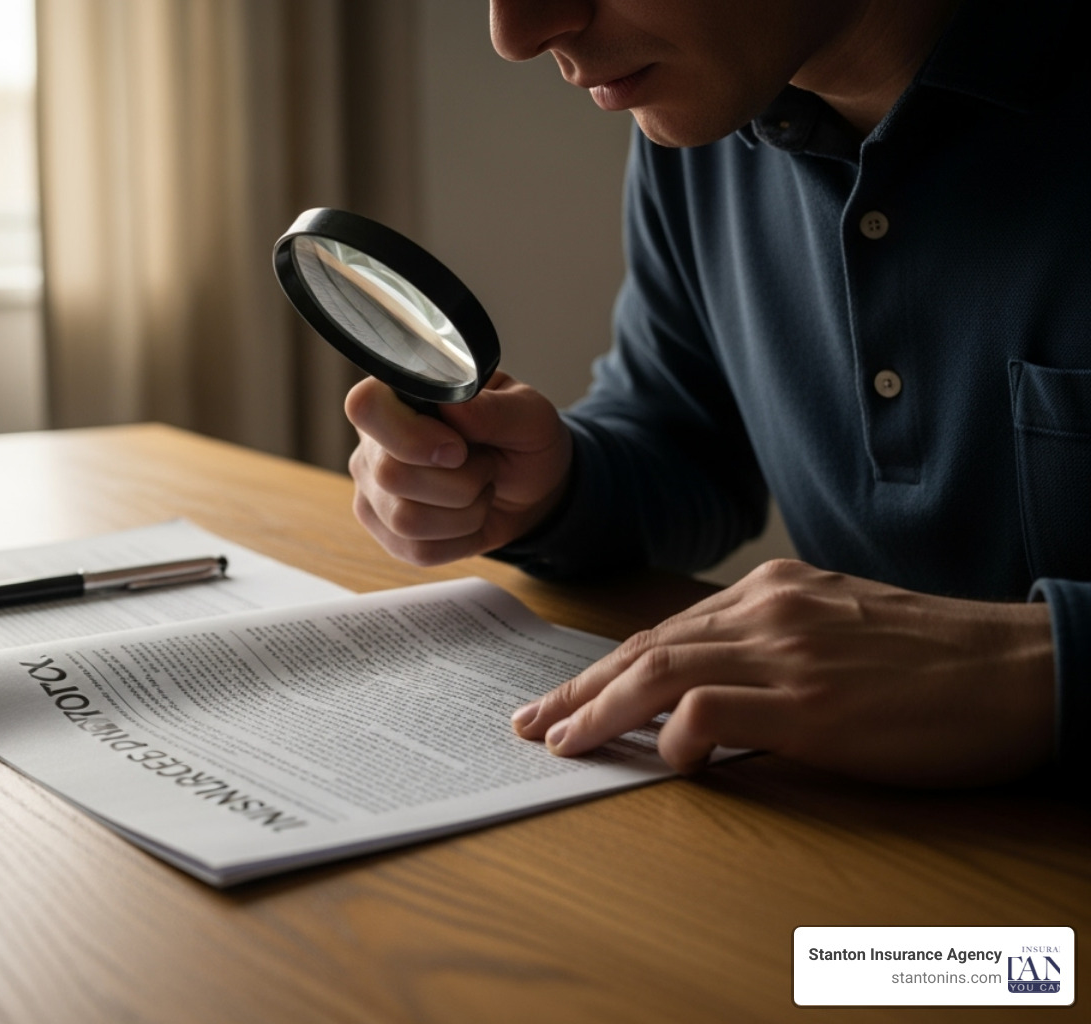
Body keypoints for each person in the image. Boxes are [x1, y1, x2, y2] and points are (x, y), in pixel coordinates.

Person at [345, 0, 1088, 787]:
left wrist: (1036, 668)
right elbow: (684, 442)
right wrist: (552, 489)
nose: (516, 34)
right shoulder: (711, 114)